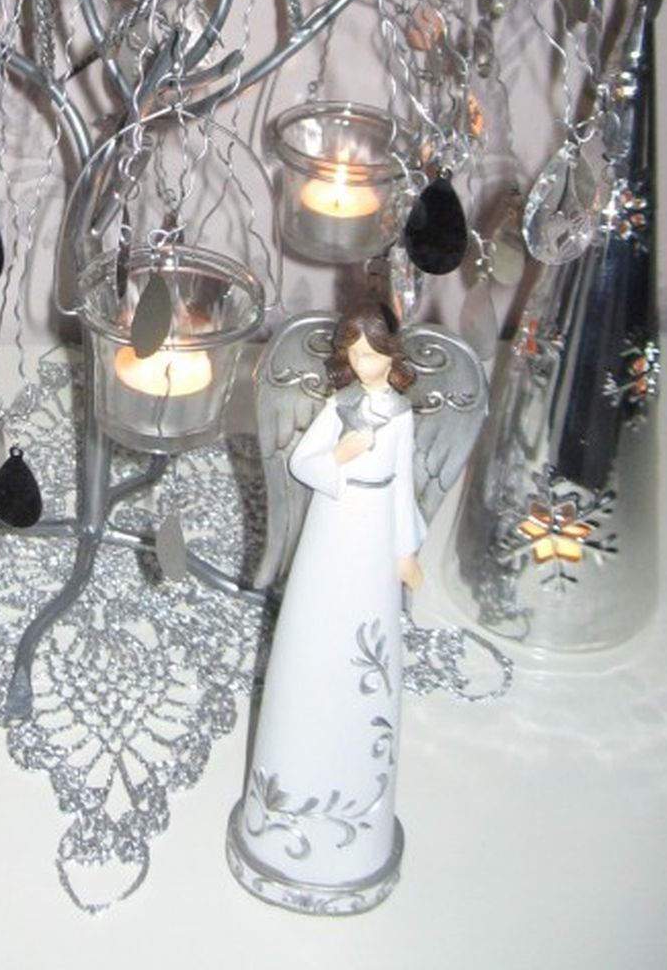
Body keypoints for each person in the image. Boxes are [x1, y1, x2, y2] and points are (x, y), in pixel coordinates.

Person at [229, 302, 423, 913]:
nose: (364, 364)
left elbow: (403, 486)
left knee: (365, 648)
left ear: (391, 356)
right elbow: (301, 462)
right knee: (315, 636)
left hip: (375, 528)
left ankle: (356, 818)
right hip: (335, 524)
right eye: (356, 355)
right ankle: (284, 801)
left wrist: (406, 548)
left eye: (373, 354)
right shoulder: (338, 409)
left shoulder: (402, 416)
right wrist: (339, 456)